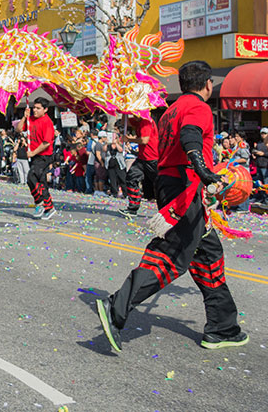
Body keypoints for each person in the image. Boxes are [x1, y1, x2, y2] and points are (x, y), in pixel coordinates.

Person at [96, 61, 249, 352]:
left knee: (208, 255)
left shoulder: (169, 111)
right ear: (207, 85)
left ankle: (222, 327)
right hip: (183, 187)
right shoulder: (198, 107)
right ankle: (116, 306)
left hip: (175, 184)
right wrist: (204, 171)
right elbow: (190, 136)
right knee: (171, 257)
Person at [119, 113, 159, 218]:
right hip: (142, 159)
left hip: (152, 159)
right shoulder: (138, 120)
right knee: (131, 178)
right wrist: (124, 111)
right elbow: (124, 123)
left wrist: (129, 140)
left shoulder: (146, 121)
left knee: (160, 184)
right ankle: (132, 208)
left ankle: (167, 209)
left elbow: (144, 140)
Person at [22, 98, 56, 219]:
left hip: (44, 155)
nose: (35, 110)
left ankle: (40, 202)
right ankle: (49, 207)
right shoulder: (30, 119)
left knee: (31, 176)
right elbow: (19, 129)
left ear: (45, 109)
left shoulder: (47, 122)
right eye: (34, 108)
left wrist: (32, 153)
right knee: (41, 182)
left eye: (38, 108)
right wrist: (24, 117)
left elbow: (46, 143)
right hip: (35, 155)